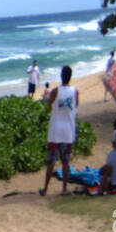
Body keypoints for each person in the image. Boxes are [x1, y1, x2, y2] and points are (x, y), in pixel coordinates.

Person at [40, 65, 79, 196]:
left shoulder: (55, 91)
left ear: (61, 76)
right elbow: (75, 107)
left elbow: (49, 105)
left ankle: (45, 189)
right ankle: (64, 188)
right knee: (65, 161)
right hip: (68, 131)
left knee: (51, 161)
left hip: (55, 131)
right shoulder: (75, 91)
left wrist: (56, 112)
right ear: (70, 76)